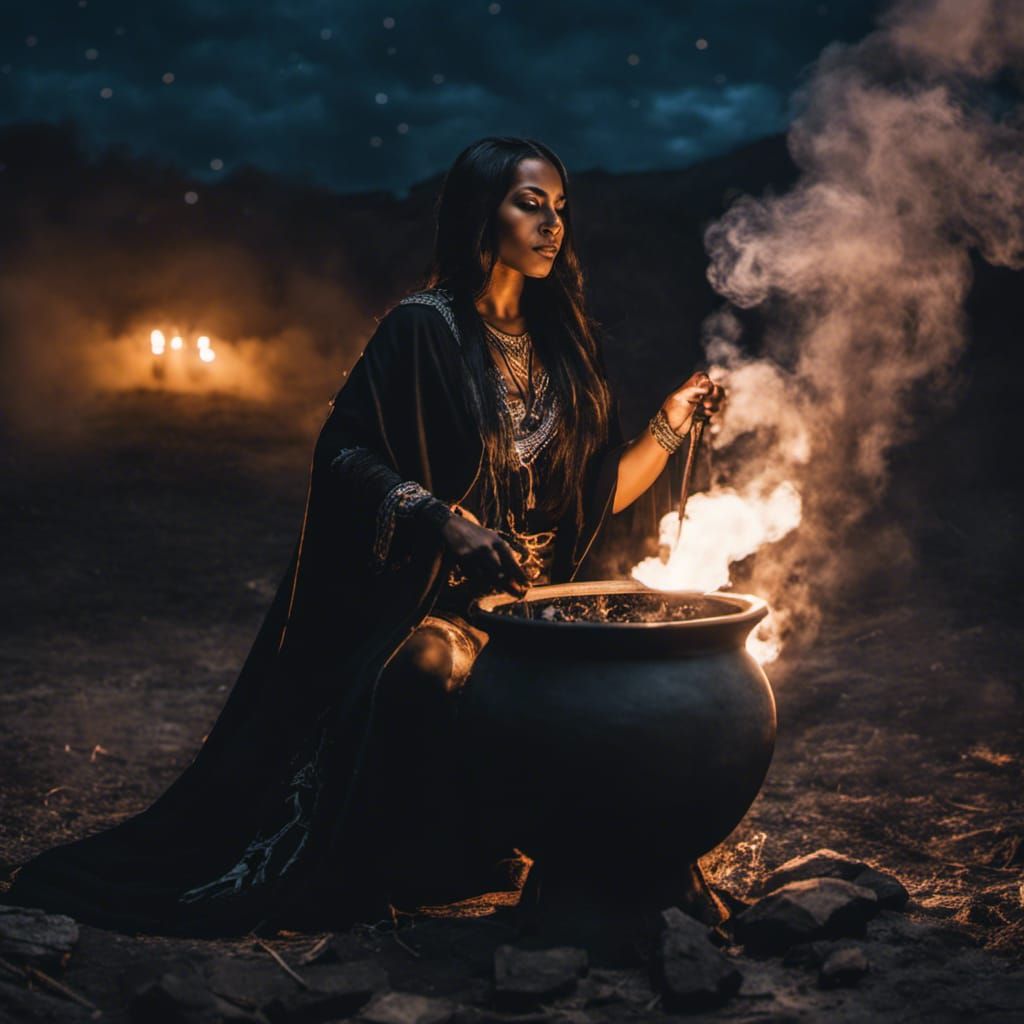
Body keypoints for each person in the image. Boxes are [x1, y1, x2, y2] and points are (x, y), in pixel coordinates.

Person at [3, 137, 721, 936]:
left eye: (560, 208)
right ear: (483, 209)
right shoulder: (422, 330)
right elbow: (343, 452)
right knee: (422, 665)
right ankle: (377, 867)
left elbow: (597, 498)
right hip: (443, 607)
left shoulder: (567, 347)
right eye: (530, 202)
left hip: (539, 616)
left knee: (631, 676)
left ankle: (590, 870)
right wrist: (440, 521)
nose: (552, 224)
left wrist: (670, 420)